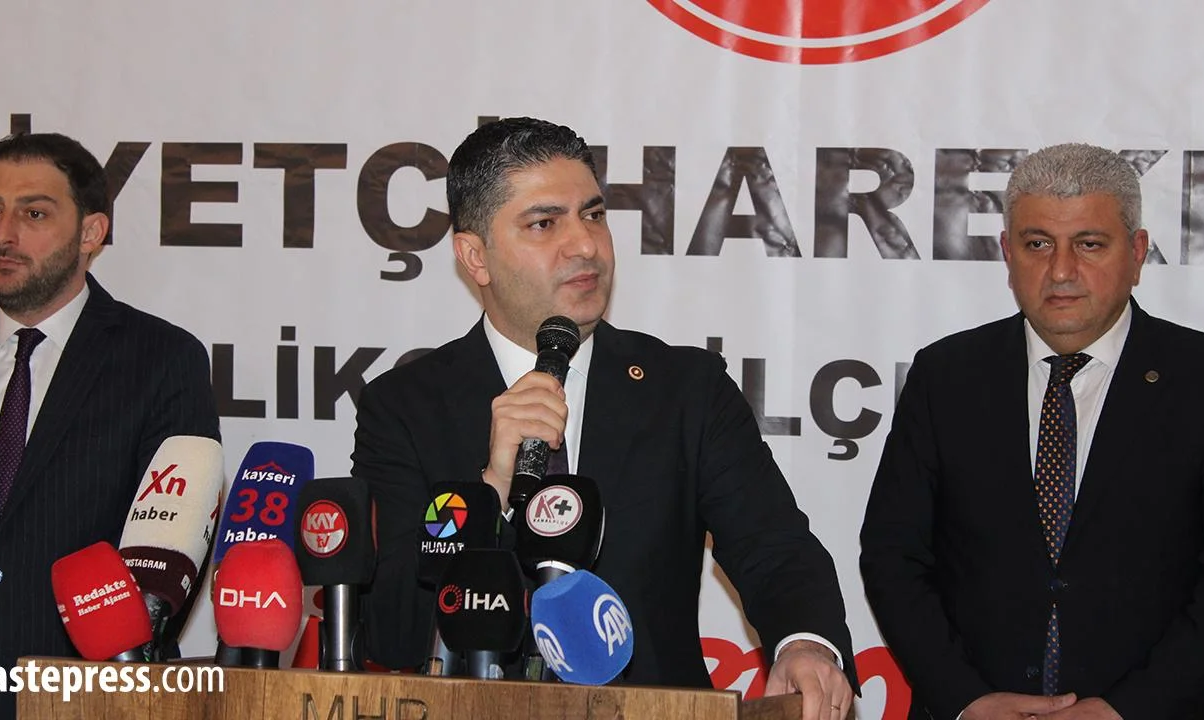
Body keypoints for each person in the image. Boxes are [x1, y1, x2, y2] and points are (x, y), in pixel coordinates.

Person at [352, 117, 857, 718]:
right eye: (545, 223)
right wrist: (491, 490)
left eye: (592, 215)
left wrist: (805, 643)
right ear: (474, 256)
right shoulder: (403, 408)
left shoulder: (686, 390)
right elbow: (391, 633)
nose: (585, 245)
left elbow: (775, 549)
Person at [860, 143, 1204, 719]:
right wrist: (966, 701)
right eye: (1037, 244)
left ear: (1137, 253)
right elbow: (893, 555)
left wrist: (1125, 709)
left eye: (1089, 244)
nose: (1061, 271)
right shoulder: (946, 376)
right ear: (1007, 253)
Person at [0, 133, 220, 720]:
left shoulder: (162, 360)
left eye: (34, 214)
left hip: (94, 702)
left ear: (91, 233)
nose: (3, 234)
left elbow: (164, 564)